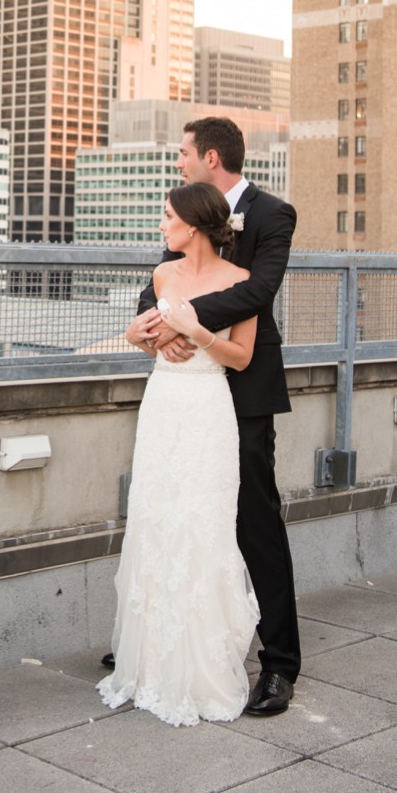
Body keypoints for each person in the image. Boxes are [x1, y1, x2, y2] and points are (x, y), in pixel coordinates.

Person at [103, 115, 300, 717]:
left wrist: (187, 322)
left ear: (211, 158)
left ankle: (279, 663)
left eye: (184, 154)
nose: (179, 163)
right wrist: (156, 329)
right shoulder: (185, 214)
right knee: (170, 509)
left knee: (253, 521)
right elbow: (155, 289)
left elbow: (257, 292)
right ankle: (158, 643)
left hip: (242, 388)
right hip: (180, 384)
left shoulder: (274, 215)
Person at [97, 182, 260, 725]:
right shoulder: (163, 274)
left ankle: (200, 665)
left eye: (167, 216)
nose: (161, 225)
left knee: (201, 522)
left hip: (208, 407)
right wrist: (137, 335)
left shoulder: (242, 282)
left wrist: (198, 332)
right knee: (157, 518)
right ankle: (149, 665)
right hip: (163, 403)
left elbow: (240, 358)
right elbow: (145, 338)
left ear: (192, 225)